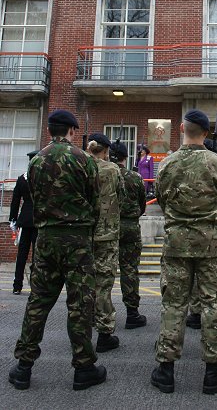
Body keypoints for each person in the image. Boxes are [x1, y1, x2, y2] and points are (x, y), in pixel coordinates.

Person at [8, 109, 105, 391]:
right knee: (80, 305)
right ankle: (83, 367)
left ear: (51, 131)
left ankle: (23, 367)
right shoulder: (84, 160)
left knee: (38, 302)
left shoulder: (36, 162)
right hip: (77, 241)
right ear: (72, 131)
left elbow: (34, 198)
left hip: (46, 239)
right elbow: (95, 202)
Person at [152, 109, 217, 395]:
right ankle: (213, 370)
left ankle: (166, 369)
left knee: (174, 304)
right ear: (207, 133)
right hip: (211, 242)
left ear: (180, 128)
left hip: (177, 242)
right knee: (212, 304)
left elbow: (162, 200)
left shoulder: (167, 164)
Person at [186, 137, 217, 335]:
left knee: (194, 277)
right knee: (216, 279)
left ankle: (196, 310)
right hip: (214, 230)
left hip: (186, 231)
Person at [88, 132, 125, 353]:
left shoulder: (79, 165)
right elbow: (120, 197)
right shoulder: (112, 170)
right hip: (106, 233)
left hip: (83, 233)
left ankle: (85, 323)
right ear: (106, 150)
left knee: (85, 281)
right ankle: (104, 331)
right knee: (104, 283)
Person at [113, 141, 147, 329]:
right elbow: (142, 205)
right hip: (130, 226)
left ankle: (99, 312)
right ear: (125, 158)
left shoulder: (103, 175)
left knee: (103, 270)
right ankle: (132, 312)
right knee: (130, 270)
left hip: (108, 226)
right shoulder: (134, 178)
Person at [9, 150, 39, 295]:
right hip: (39, 219)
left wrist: (13, 219)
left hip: (25, 219)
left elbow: (15, 202)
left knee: (22, 254)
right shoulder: (42, 179)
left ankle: (17, 284)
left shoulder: (22, 179)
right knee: (36, 255)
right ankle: (35, 286)